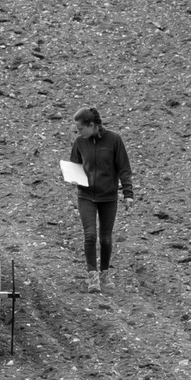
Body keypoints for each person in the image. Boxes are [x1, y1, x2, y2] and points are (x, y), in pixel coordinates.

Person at [67, 106, 134, 293]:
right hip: (86, 195)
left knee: (105, 238)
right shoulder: (80, 142)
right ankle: (92, 276)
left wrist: (128, 194)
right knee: (90, 235)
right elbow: (74, 165)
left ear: (92, 125)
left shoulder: (114, 140)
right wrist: (72, 177)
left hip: (108, 197)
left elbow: (124, 168)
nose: (79, 132)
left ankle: (104, 273)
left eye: (81, 128)